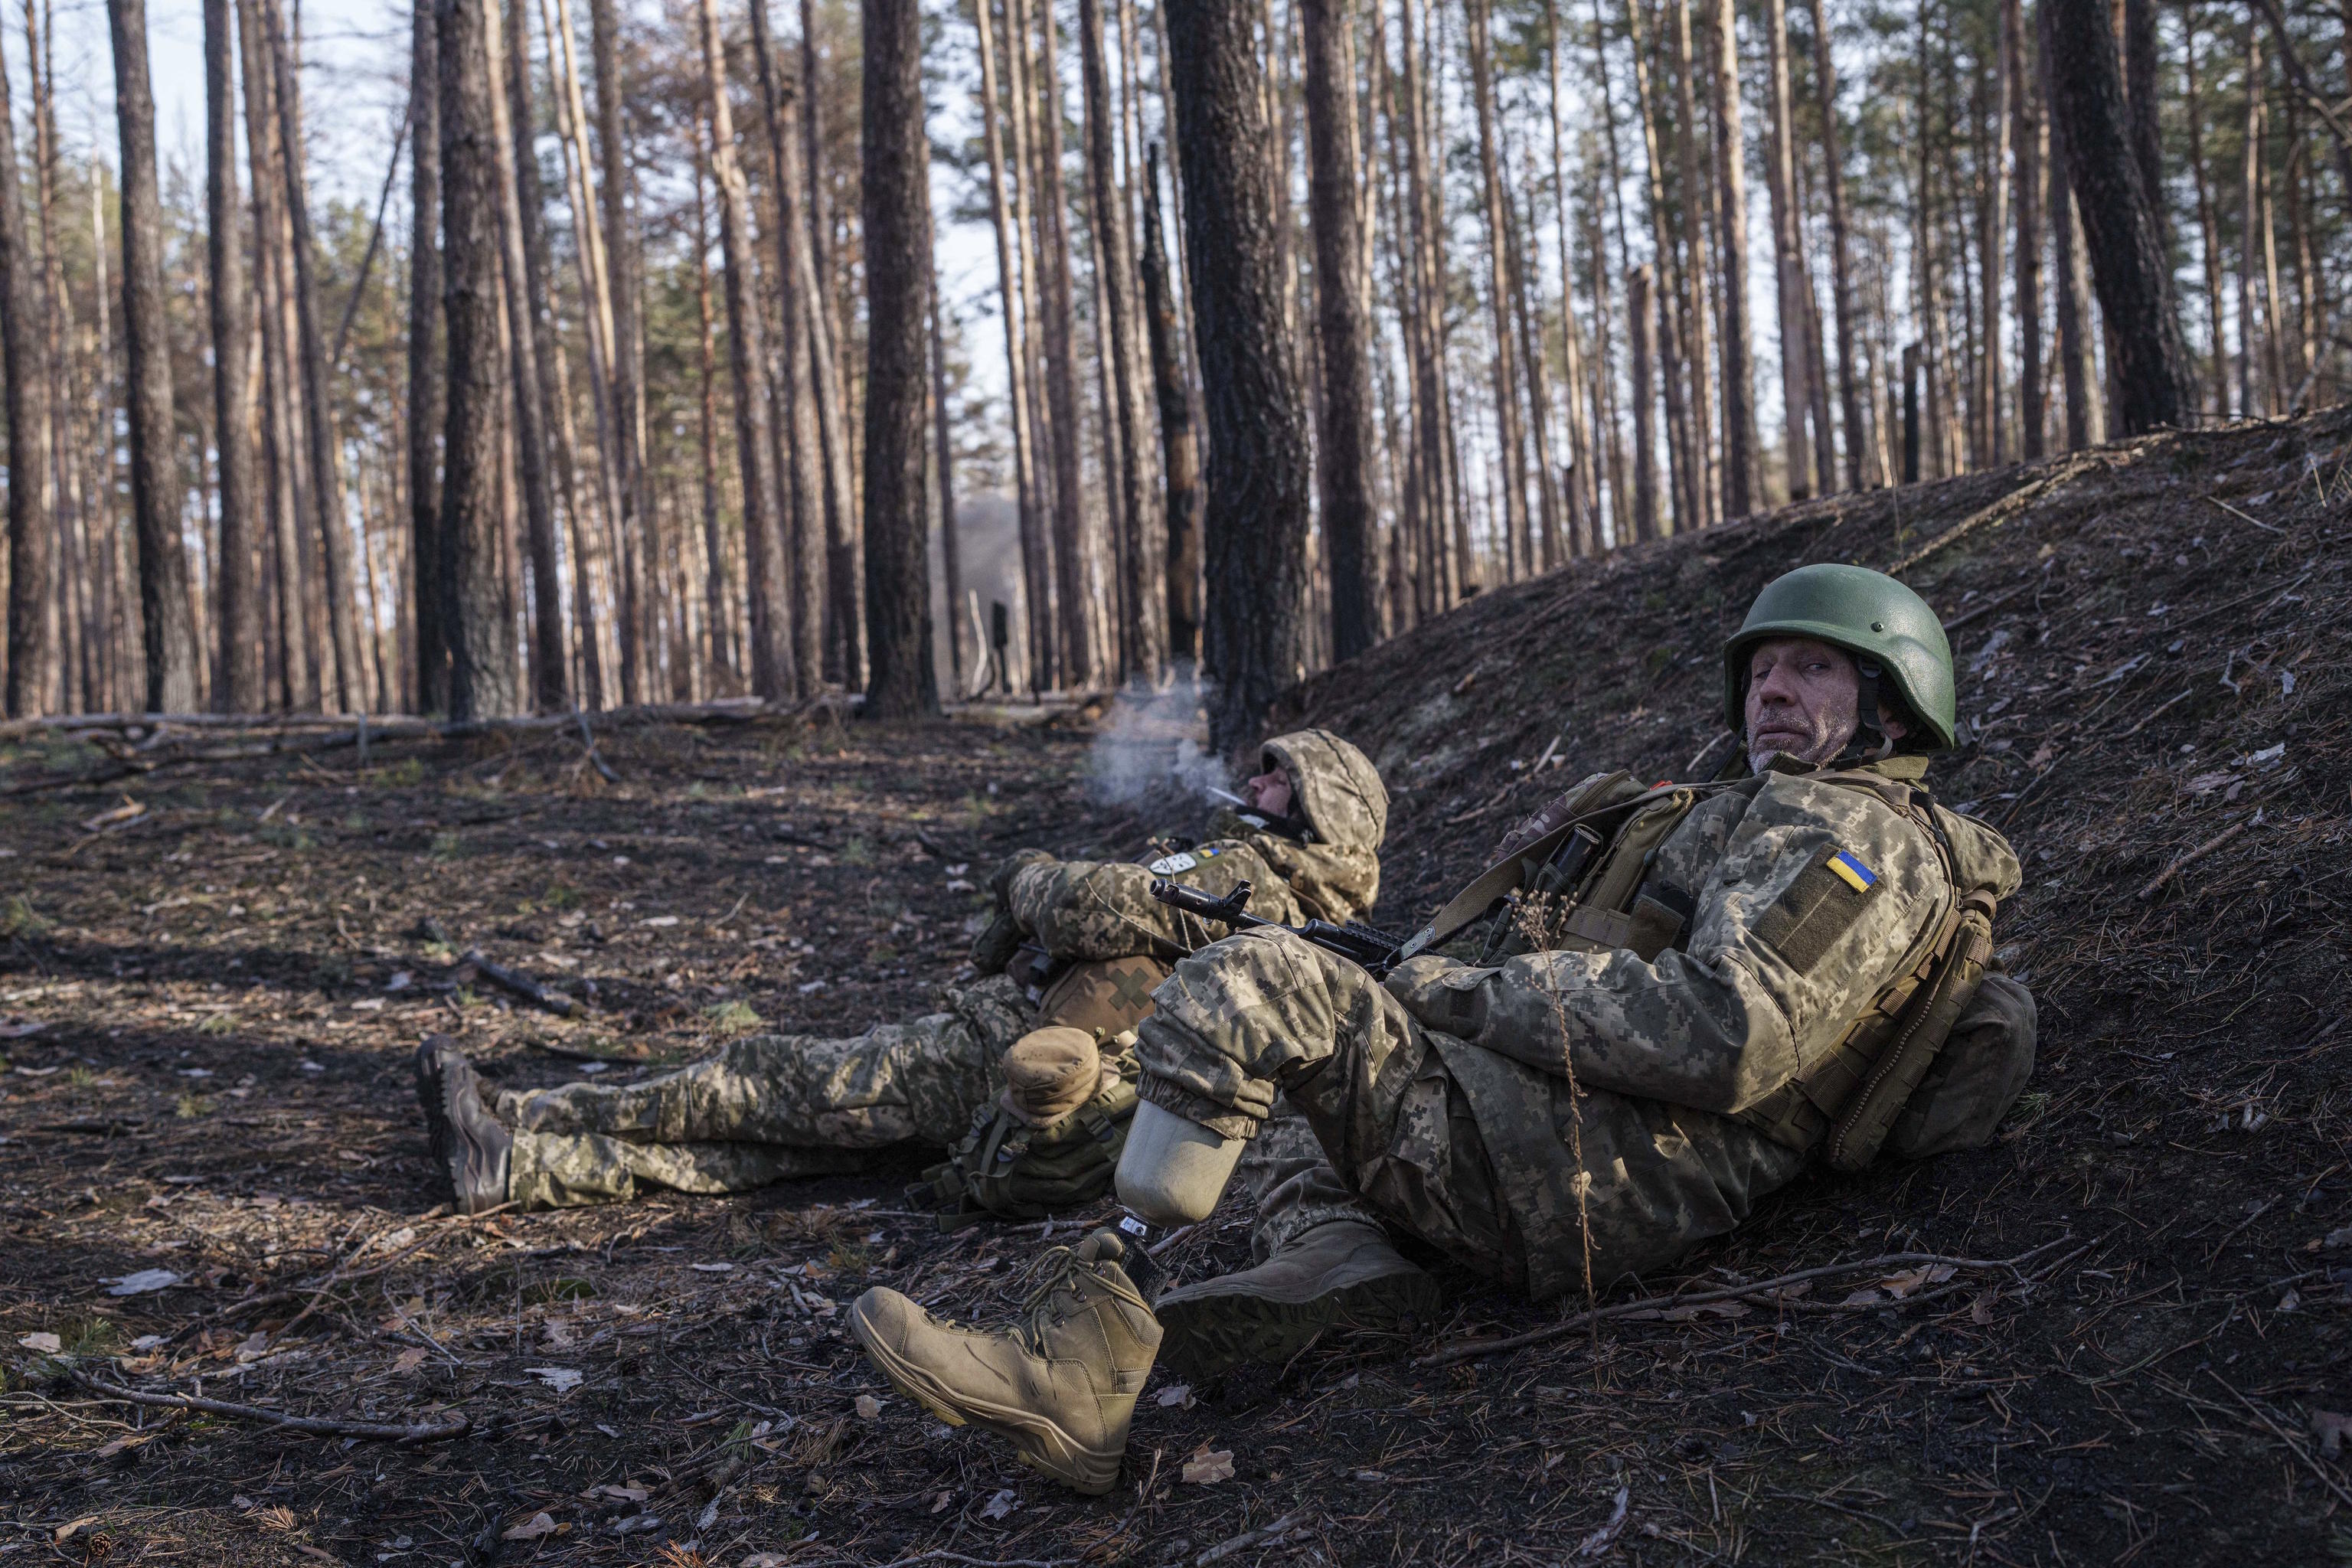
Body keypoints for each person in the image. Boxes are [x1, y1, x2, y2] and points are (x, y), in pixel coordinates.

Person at [847, 564, 2040, 1496]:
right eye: (1761, 670)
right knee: (1300, 1021)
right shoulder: (1735, 811)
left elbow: (1730, 1031)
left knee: (1258, 984)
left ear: (1889, 705)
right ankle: (1342, 1255)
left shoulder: (1858, 841)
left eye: (1813, 672)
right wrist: (1431, 975)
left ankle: (1082, 1374)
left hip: (1600, 1176)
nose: (1771, 691)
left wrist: (1452, 994)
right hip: (1559, 1132)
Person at [414, 730, 1391, 1216]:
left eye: (1277, 777)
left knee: (761, 1080)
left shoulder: (1250, 873)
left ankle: (532, 1120)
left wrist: (1028, 878)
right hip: (1042, 1084)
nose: (1254, 782)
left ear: (1314, 811)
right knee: (783, 1150)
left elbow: (1093, 906)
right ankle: (516, 1156)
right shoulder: (1300, 907)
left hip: (1003, 1057)